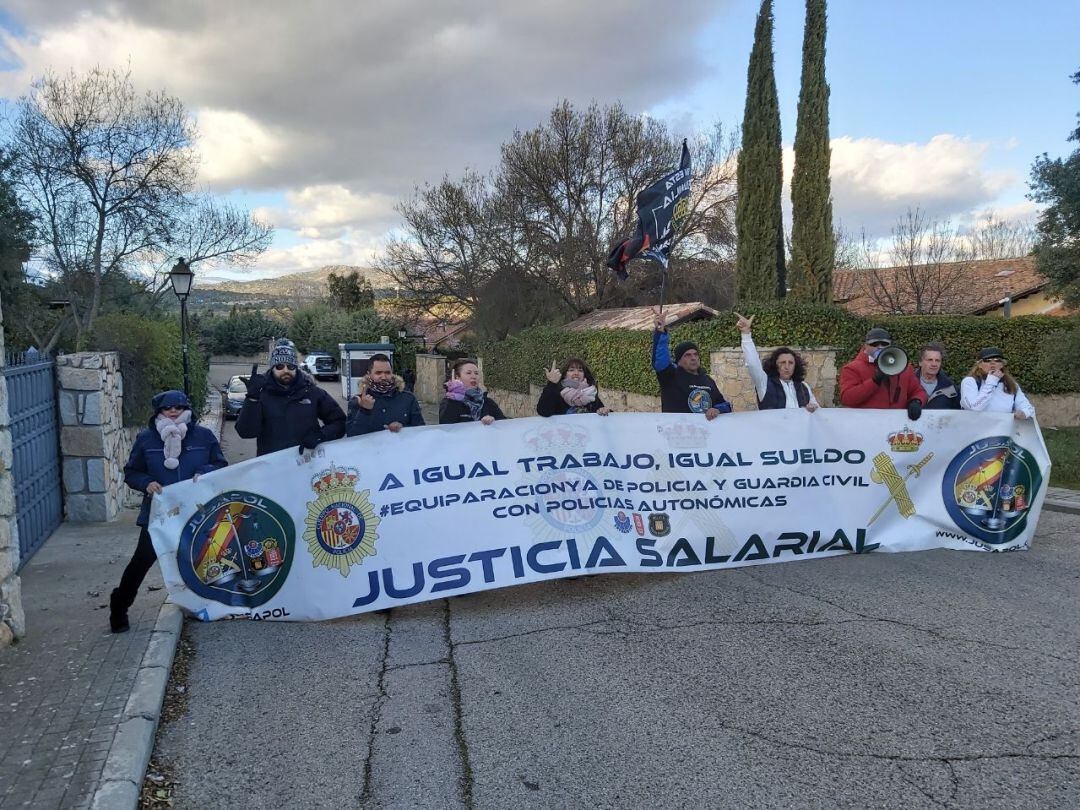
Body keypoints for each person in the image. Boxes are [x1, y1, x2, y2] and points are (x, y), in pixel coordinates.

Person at [111, 390, 227, 633]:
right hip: (158, 514)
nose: (173, 411)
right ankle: (119, 605)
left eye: (178, 407)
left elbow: (220, 464)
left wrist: (205, 471)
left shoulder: (203, 436)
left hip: (196, 513)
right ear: (159, 412)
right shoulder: (146, 439)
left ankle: (209, 603)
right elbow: (132, 472)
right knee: (142, 560)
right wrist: (146, 483)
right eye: (167, 408)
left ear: (187, 409)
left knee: (203, 558)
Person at [236, 339, 346, 455]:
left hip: (307, 463)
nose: (285, 370)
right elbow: (246, 432)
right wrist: (252, 399)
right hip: (272, 465)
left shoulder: (312, 392)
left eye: (290, 366)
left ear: (296, 367)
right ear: (272, 368)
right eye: (279, 366)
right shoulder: (261, 394)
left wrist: (322, 435)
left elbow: (340, 422)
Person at [652, 310, 731, 418]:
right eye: (687, 355)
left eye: (695, 354)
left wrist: (717, 409)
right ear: (679, 361)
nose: (693, 358)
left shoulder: (708, 380)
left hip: (705, 433)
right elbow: (660, 360)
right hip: (677, 432)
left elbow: (725, 405)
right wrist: (660, 332)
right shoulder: (670, 376)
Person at [735, 312, 820, 411]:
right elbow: (753, 364)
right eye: (782, 362)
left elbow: (818, 413)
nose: (787, 366)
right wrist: (746, 334)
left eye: (790, 363)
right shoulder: (764, 384)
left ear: (795, 366)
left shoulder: (804, 387)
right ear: (775, 365)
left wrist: (813, 409)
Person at [839, 327, 926, 419]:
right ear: (865, 346)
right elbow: (847, 398)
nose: (879, 347)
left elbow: (918, 391)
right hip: (866, 424)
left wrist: (916, 401)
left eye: (884, 344)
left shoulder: (905, 368)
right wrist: (874, 381)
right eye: (874, 344)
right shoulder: (852, 368)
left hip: (896, 423)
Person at [346, 354, 425, 435]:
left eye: (387, 372)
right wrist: (364, 411)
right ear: (369, 374)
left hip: (401, 447)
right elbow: (352, 436)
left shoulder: (408, 398)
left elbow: (421, 431)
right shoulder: (358, 401)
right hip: (371, 447)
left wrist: (403, 428)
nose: (383, 377)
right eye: (378, 373)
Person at [960, 347, 1035, 420]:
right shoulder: (970, 382)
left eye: (997, 360)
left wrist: (1024, 413)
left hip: (1002, 430)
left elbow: (1028, 408)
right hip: (975, 430)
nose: (992, 363)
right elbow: (974, 408)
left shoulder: (1010, 384)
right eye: (987, 360)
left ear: (1002, 364)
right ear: (979, 365)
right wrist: (991, 382)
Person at [439, 358, 507, 424]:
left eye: (476, 373)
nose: (474, 376)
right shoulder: (449, 401)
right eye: (468, 373)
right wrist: (455, 398)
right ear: (457, 377)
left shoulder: (487, 402)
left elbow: (504, 425)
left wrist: (493, 421)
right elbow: (445, 427)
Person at [536, 358, 612, 416]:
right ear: (565, 374)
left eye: (580, 370)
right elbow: (544, 411)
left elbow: (604, 413)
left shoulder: (590, 393)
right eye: (571, 370)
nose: (576, 373)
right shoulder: (556, 391)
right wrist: (552, 384)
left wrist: (605, 411)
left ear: (584, 374)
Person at [916, 342, 960, 410]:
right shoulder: (908, 384)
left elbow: (957, 414)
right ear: (920, 362)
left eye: (937, 360)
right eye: (930, 360)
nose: (934, 364)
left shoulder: (950, 387)